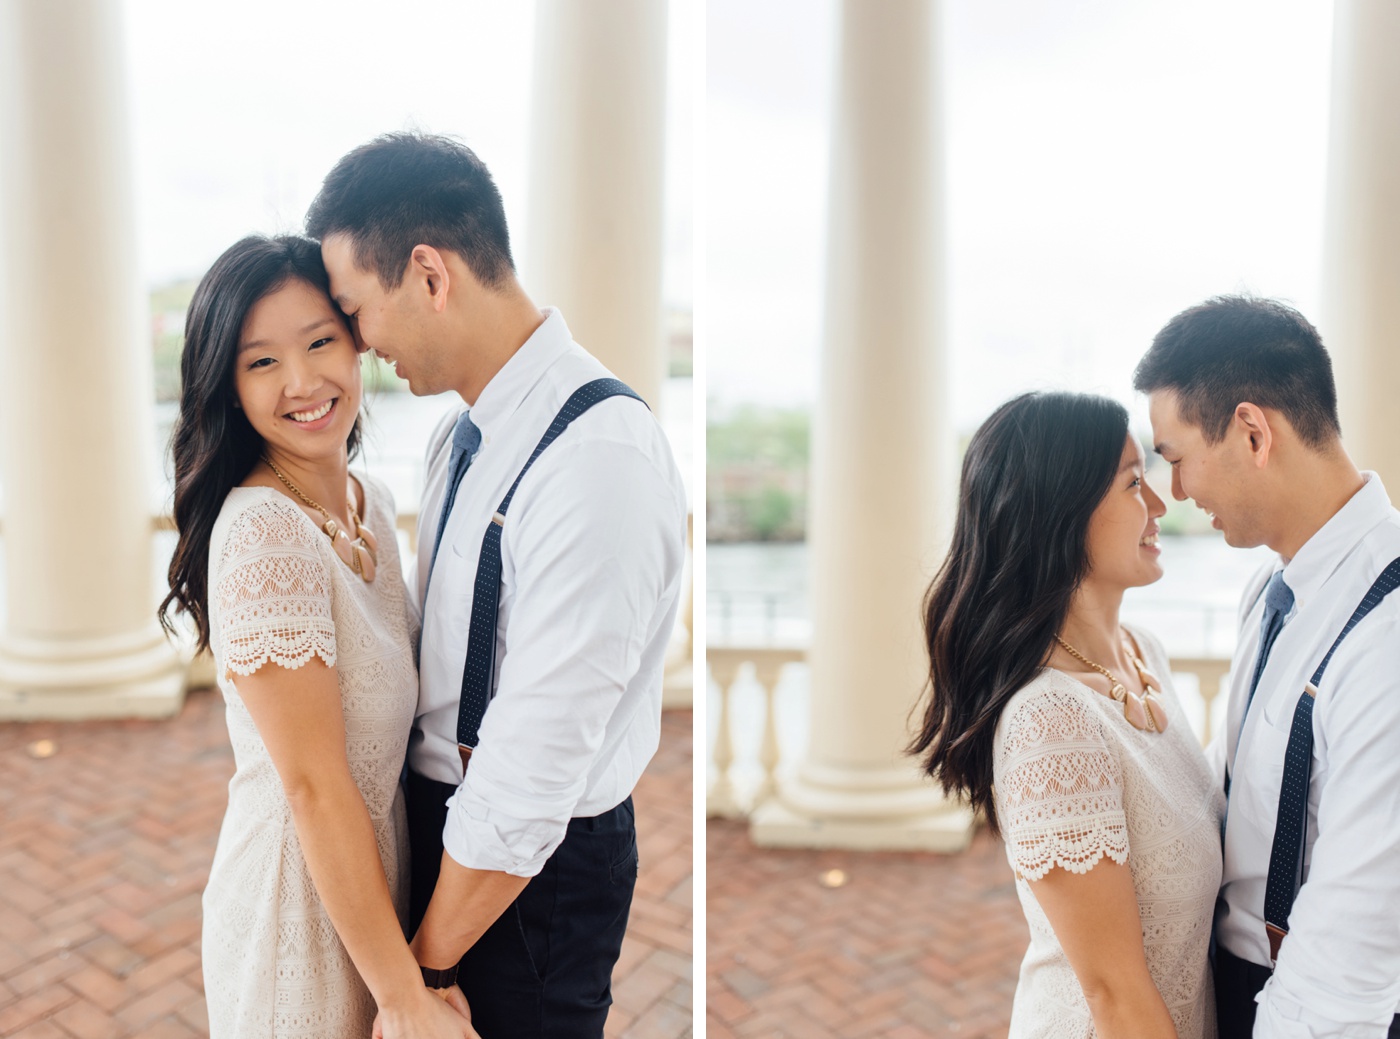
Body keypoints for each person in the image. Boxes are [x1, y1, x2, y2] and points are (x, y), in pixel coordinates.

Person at [305, 133, 688, 1039]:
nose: (360, 344)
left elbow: (531, 772)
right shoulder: (461, 436)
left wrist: (426, 968)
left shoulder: (597, 459)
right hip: (448, 836)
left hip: (531, 881)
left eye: (358, 310)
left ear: (429, 275)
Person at [160, 235, 476, 1039]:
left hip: (372, 897)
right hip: (295, 915)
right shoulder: (264, 531)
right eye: (261, 362)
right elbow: (313, 786)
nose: (302, 383)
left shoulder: (370, 505)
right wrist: (405, 997)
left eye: (320, 342)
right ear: (227, 387)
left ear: (358, 339)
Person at [911, 391, 1224, 1039]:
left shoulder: (1147, 655)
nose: (1160, 506)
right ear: (1061, 510)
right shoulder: (1049, 718)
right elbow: (1113, 994)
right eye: (1134, 483)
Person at [1136, 296, 1400, 1038]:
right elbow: (1251, 788)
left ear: (1252, 431)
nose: (1177, 493)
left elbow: (1357, 935)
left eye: (1178, 458)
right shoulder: (1272, 587)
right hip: (1234, 987)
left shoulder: (1389, 636)